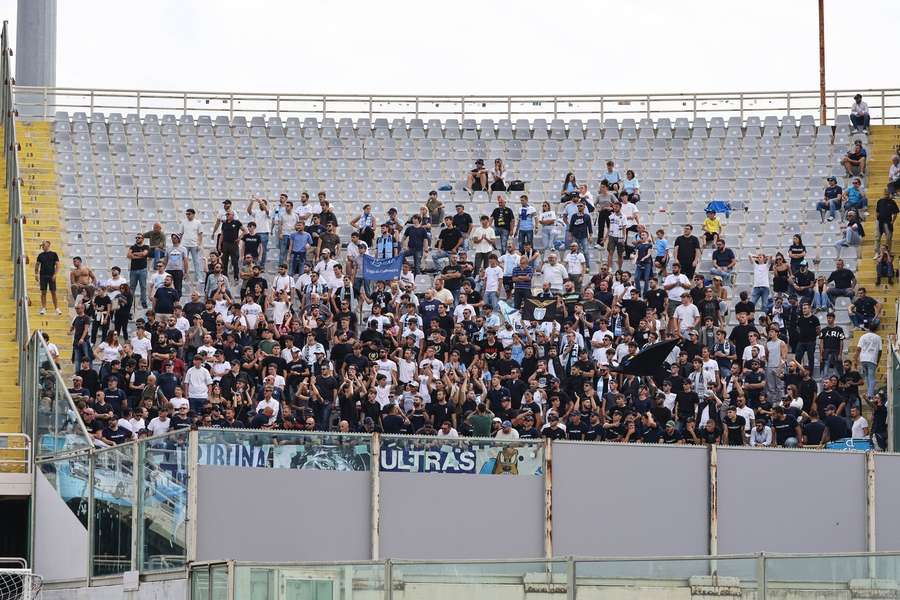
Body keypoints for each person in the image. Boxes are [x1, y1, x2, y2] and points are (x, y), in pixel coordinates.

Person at [855, 323, 882, 401]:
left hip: (863, 359)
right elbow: (880, 351)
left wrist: (855, 360)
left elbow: (858, 349)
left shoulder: (863, 336)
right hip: (872, 359)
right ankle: (870, 396)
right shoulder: (878, 337)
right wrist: (878, 360)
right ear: (876, 329)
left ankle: (869, 392)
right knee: (872, 378)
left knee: (867, 377)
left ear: (869, 328)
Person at [35, 240, 61, 315]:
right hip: (43, 275)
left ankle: (56, 308)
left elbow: (57, 265)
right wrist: (36, 274)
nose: (43, 246)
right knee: (43, 292)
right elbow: (37, 265)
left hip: (51, 275)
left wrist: (55, 274)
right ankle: (43, 308)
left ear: (48, 245)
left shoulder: (54, 254)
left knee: (53, 292)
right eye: (42, 245)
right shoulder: (40, 255)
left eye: (44, 245)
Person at [127, 233, 151, 309]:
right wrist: (139, 255)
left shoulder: (146, 246)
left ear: (142, 239)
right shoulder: (133, 247)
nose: (137, 239)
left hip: (142, 270)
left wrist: (134, 255)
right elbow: (128, 255)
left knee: (143, 286)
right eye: (136, 237)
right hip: (133, 270)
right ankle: (129, 301)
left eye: (139, 238)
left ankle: (143, 301)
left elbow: (144, 254)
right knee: (132, 287)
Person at [567, 202, 593, 269]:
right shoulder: (574, 216)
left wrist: (590, 236)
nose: (579, 207)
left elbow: (590, 227)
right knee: (575, 251)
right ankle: (577, 266)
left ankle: (587, 266)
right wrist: (570, 235)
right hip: (575, 236)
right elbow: (571, 227)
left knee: (585, 251)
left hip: (584, 236)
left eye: (581, 206)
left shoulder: (587, 216)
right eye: (578, 206)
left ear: (584, 207)